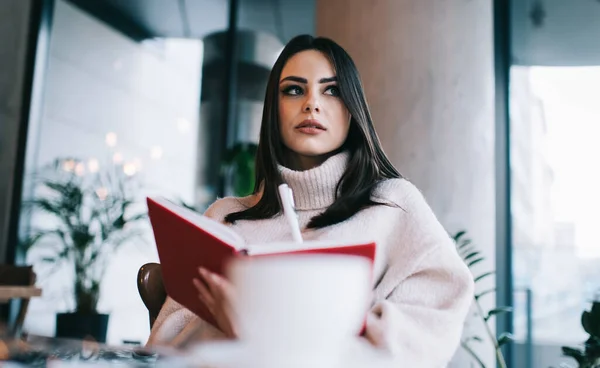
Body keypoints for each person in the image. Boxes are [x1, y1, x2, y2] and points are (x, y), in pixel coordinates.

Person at [147, 34, 474, 366]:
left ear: (353, 109)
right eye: (294, 89)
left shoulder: (394, 207)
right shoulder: (225, 218)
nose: (311, 103)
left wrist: (275, 336)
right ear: (273, 110)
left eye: (331, 90)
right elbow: (163, 347)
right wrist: (227, 327)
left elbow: (428, 329)